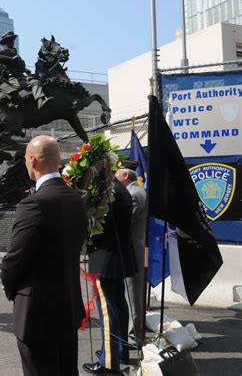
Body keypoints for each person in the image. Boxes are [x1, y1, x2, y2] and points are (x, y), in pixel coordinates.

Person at [1, 135, 87, 376]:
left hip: (37, 311)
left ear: (32, 160)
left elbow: (14, 259)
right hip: (67, 306)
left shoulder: (34, 204)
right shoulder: (76, 199)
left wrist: (10, 288)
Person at [83, 178, 137, 375]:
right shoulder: (119, 188)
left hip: (105, 259)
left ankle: (108, 362)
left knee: (108, 312)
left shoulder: (107, 190)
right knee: (118, 306)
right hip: (117, 256)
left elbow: (96, 225)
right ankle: (118, 350)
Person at [116, 159, 147, 346]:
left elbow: (124, 222)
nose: (115, 177)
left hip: (131, 250)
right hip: (131, 249)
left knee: (132, 293)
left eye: (117, 174)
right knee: (129, 292)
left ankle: (134, 336)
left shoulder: (134, 194)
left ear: (126, 175)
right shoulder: (134, 191)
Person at [0, 30, 52, 110]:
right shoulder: (4, 50)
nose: (12, 41)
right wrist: (12, 59)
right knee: (36, 83)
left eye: (13, 39)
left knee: (38, 78)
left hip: (20, 75)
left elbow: (17, 63)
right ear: (6, 41)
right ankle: (40, 101)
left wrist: (25, 69)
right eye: (10, 40)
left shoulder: (13, 50)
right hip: (13, 78)